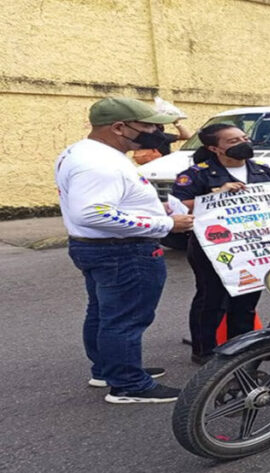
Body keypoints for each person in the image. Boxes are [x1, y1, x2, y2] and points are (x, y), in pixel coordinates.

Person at [56, 97, 194, 404]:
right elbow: (93, 213)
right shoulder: (100, 164)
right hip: (123, 251)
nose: (156, 132)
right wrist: (165, 224)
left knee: (104, 313)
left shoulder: (85, 152)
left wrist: (152, 207)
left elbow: (107, 203)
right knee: (125, 319)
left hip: (98, 247)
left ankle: (109, 370)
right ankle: (128, 385)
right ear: (119, 127)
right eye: (148, 126)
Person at [171, 124, 270, 365]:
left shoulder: (262, 170)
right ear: (214, 148)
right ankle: (205, 351)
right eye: (233, 141)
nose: (244, 143)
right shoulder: (197, 174)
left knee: (247, 298)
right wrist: (217, 194)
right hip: (213, 247)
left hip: (252, 245)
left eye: (244, 137)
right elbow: (177, 206)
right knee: (211, 299)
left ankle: (241, 347)